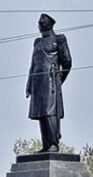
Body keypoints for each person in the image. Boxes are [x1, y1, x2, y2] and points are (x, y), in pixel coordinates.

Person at [26, 13, 72, 152]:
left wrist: (59, 80)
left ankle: (53, 143)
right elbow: (33, 64)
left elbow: (67, 62)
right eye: (39, 22)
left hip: (51, 81)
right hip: (37, 82)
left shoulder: (59, 39)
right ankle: (46, 144)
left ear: (49, 24)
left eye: (42, 22)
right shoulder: (37, 42)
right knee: (41, 113)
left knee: (49, 112)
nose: (39, 25)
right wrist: (29, 84)